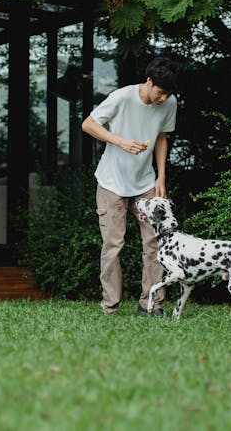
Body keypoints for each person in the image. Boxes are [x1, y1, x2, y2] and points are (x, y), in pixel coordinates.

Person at [81, 57, 180, 316]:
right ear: (149, 81)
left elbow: (161, 137)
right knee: (114, 245)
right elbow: (88, 124)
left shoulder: (169, 102)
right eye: (160, 92)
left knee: (156, 243)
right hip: (111, 182)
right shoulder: (122, 97)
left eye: (168, 94)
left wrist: (161, 177)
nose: (163, 99)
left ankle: (151, 304)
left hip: (146, 182)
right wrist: (121, 141)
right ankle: (110, 306)